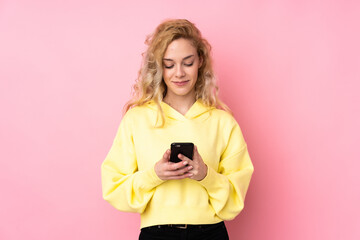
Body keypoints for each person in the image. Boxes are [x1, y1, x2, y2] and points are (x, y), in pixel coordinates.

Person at [101, 19, 254, 240]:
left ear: (200, 61)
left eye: (188, 63)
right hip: (157, 233)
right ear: (158, 67)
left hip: (210, 233)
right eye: (169, 64)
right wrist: (155, 175)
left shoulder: (223, 122)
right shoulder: (137, 119)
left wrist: (205, 175)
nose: (179, 73)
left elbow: (234, 201)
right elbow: (113, 187)